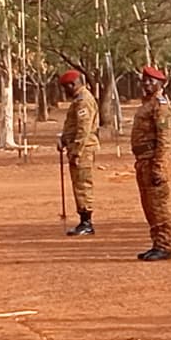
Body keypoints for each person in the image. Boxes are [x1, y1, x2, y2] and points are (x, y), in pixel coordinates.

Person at [131, 66, 171, 261]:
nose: (147, 84)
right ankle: (156, 243)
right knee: (149, 206)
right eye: (145, 80)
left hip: (153, 162)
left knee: (158, 206)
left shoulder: (160, 105)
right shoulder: (147, 104)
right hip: (143, 162)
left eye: (151, 81)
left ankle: (164, 245)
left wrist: (159, 167)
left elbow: (165, 139)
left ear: (160, 83)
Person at [58, 70, 100, 236]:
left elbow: (83, 129)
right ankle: (83, 218)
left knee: (83, 185)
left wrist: (76, 151)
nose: (64, 91)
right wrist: (63, 139)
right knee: (78, 184)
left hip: (83, 149)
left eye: (65, 87)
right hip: (77, 148)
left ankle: (86, 222)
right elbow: (73, 126)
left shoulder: (83, 101)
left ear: (72, 84)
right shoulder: (78, 100)